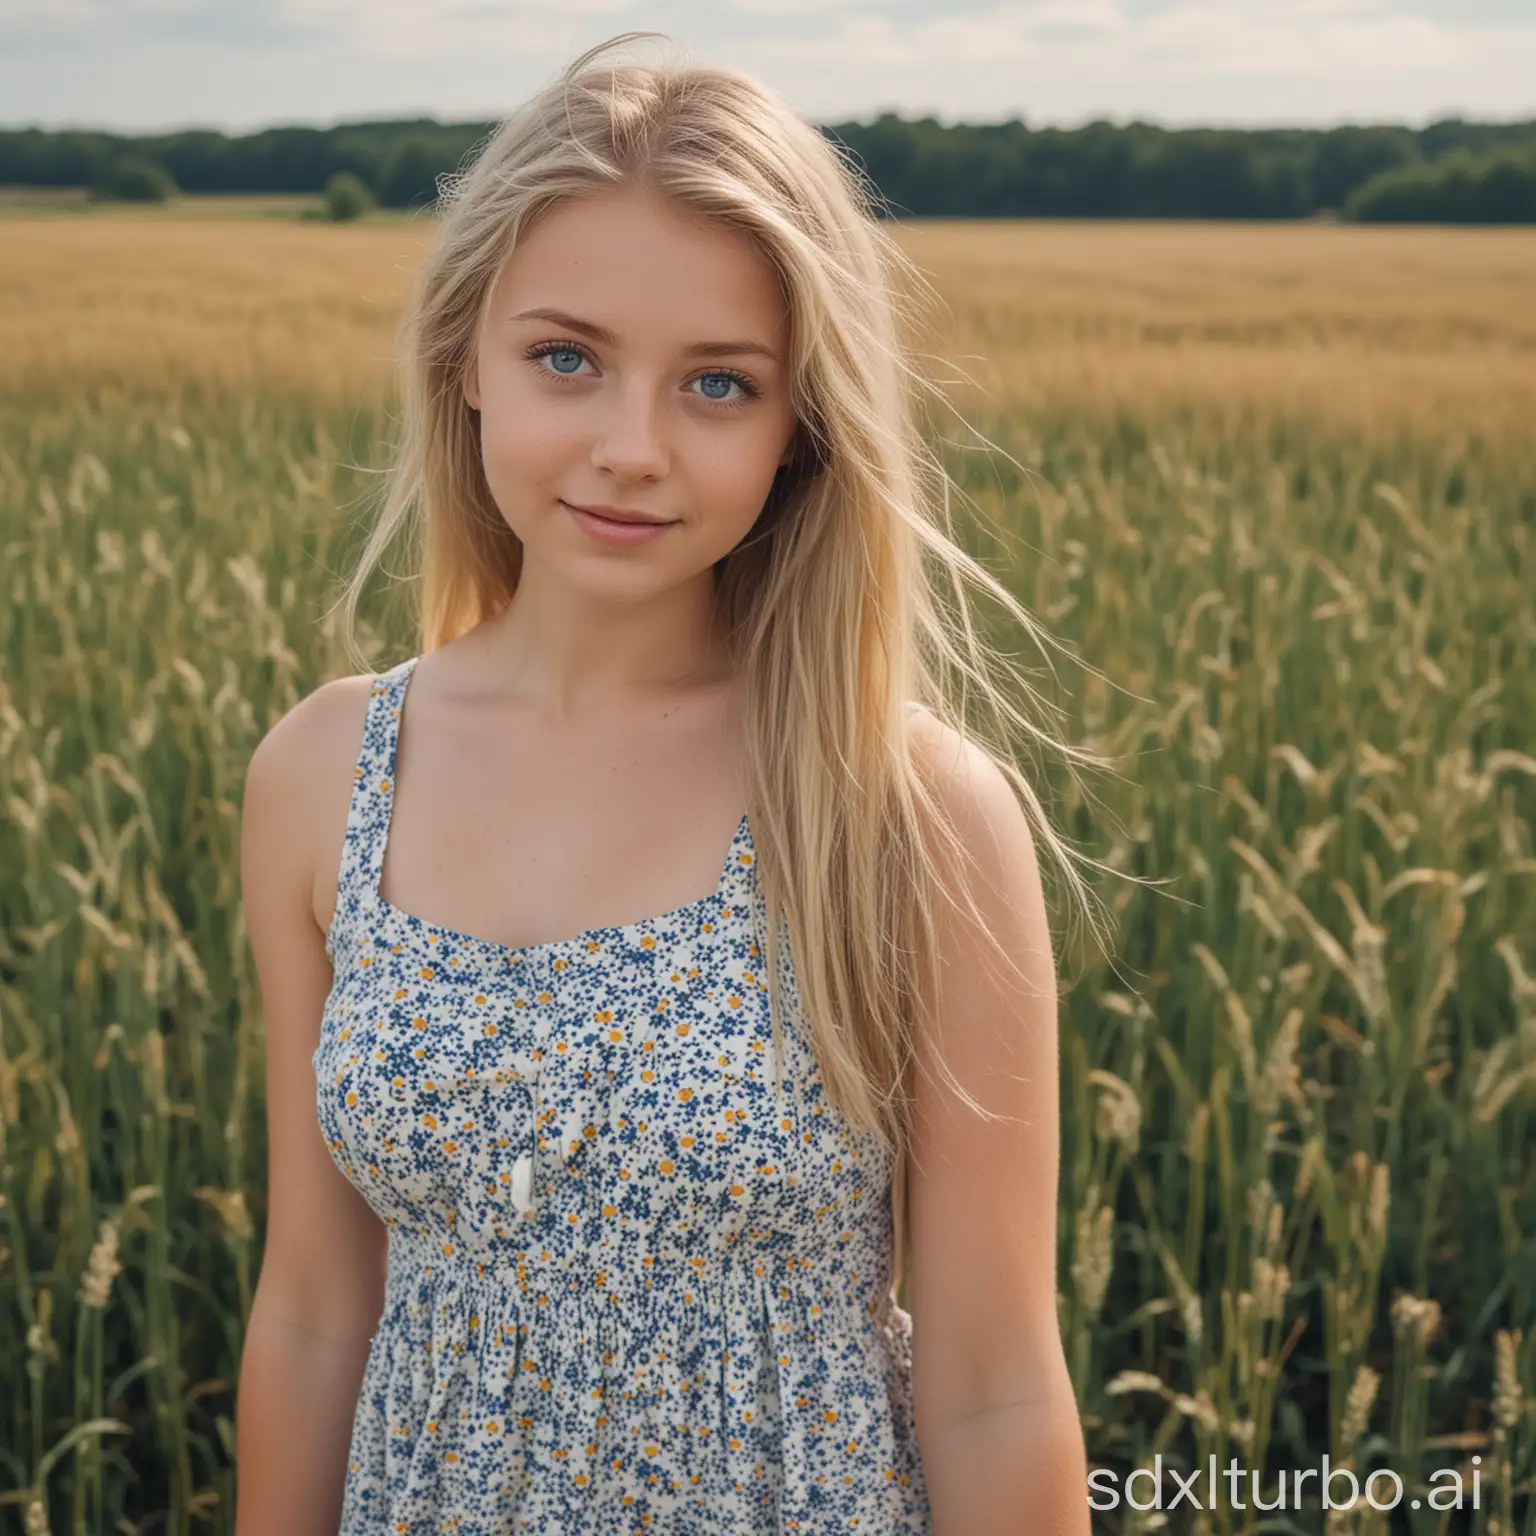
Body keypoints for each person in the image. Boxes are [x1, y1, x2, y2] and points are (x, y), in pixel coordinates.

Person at [235, 31, 1105, 1536]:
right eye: (565, 358)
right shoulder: (326, 775)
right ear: (465, 365)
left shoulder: (904, 813)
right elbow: (317, 1310)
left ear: (800, 432)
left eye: (718, 384)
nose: (629, 448)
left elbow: (994, 1385)